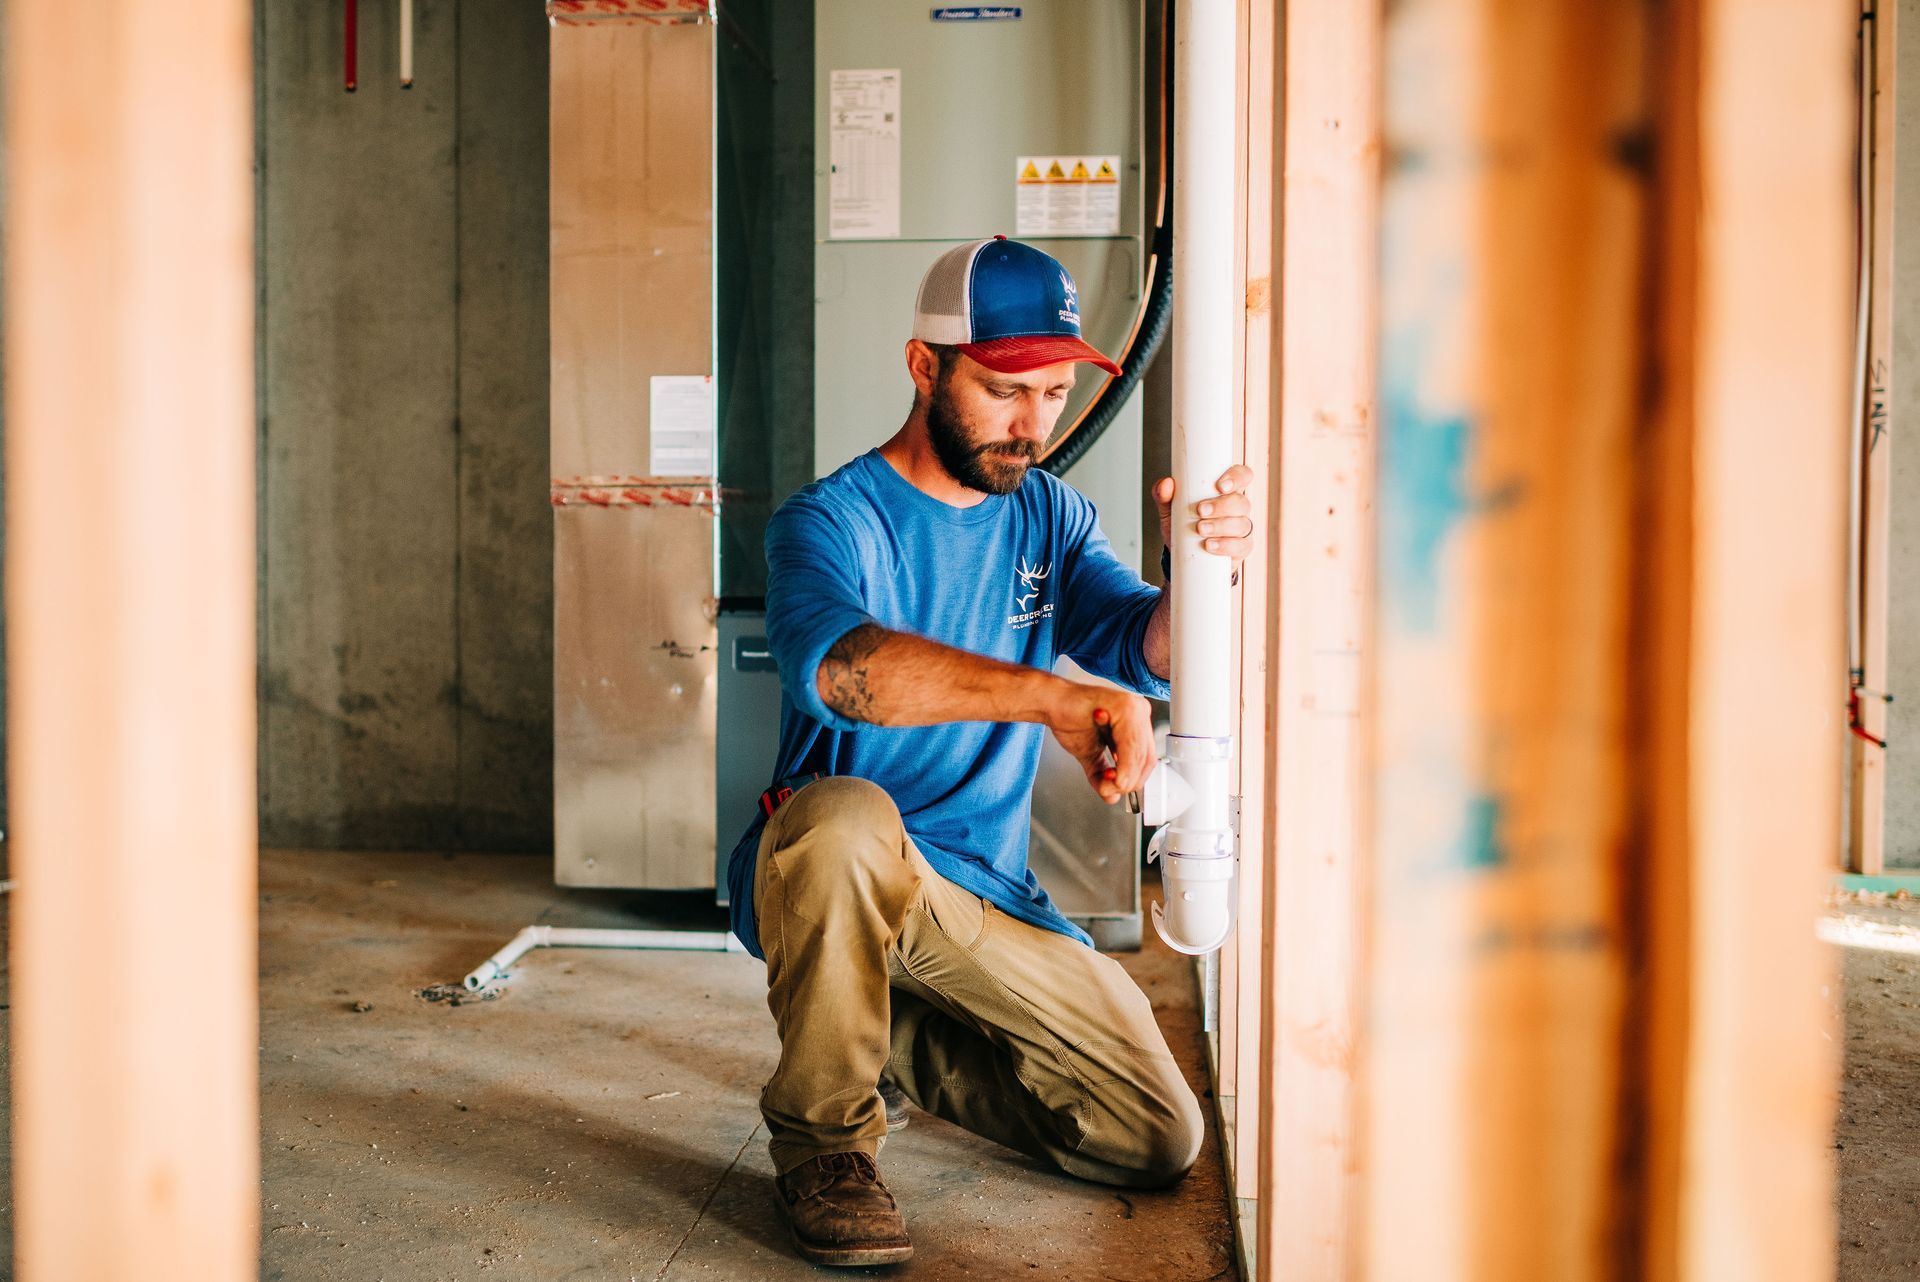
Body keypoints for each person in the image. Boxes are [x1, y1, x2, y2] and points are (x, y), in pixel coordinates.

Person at [724, 236, 1256, 1267]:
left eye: (1055, 393)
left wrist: (1203, 566)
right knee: (844, 819)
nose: (1035, 424)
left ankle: (883, 1032)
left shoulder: (1047, 514)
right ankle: (824, 1142)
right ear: (926, 368)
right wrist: (1054, 697)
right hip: (832, 864)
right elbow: (843, 672)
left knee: (1157, 1133)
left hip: (979, 891)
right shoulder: (831, 522)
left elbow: (1141, 648)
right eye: (1005, 391)